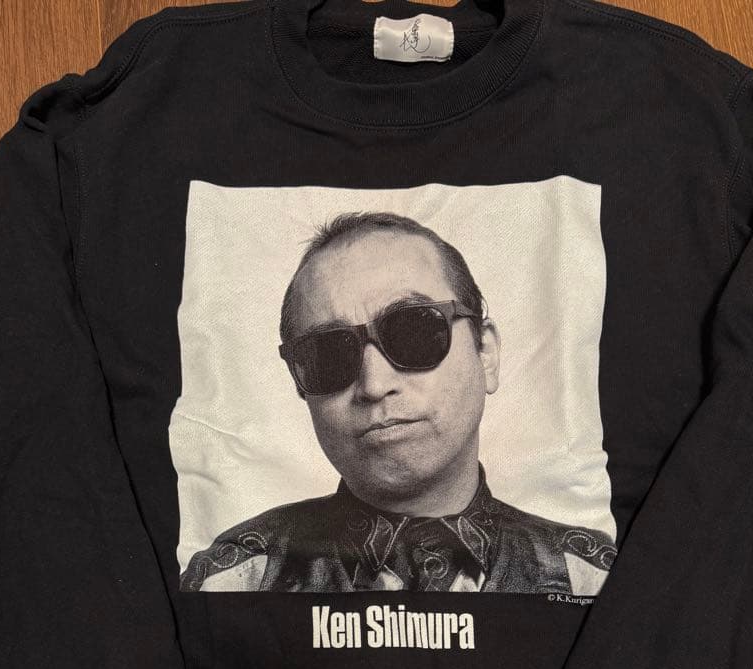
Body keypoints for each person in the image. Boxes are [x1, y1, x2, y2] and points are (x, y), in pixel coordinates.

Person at [179, 211, 617, 594]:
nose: (374, 384)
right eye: (329, 354)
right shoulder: (235, 580)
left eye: (414, 331)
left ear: (486, 353)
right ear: (300, 382)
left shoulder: (592, 579)